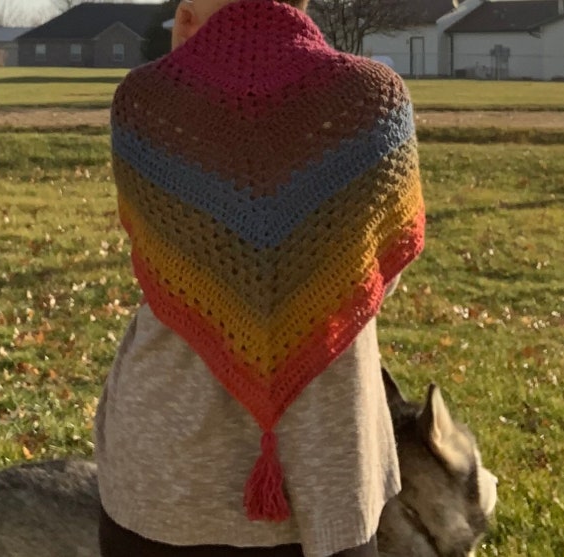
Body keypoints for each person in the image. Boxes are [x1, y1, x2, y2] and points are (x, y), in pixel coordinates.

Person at [94, 0, 425, 555]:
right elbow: (375, 280)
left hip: (169, 463)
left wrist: (179, 75)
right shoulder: (374, 98)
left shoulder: (144, 100)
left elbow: (159, 267)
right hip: (329, 460)